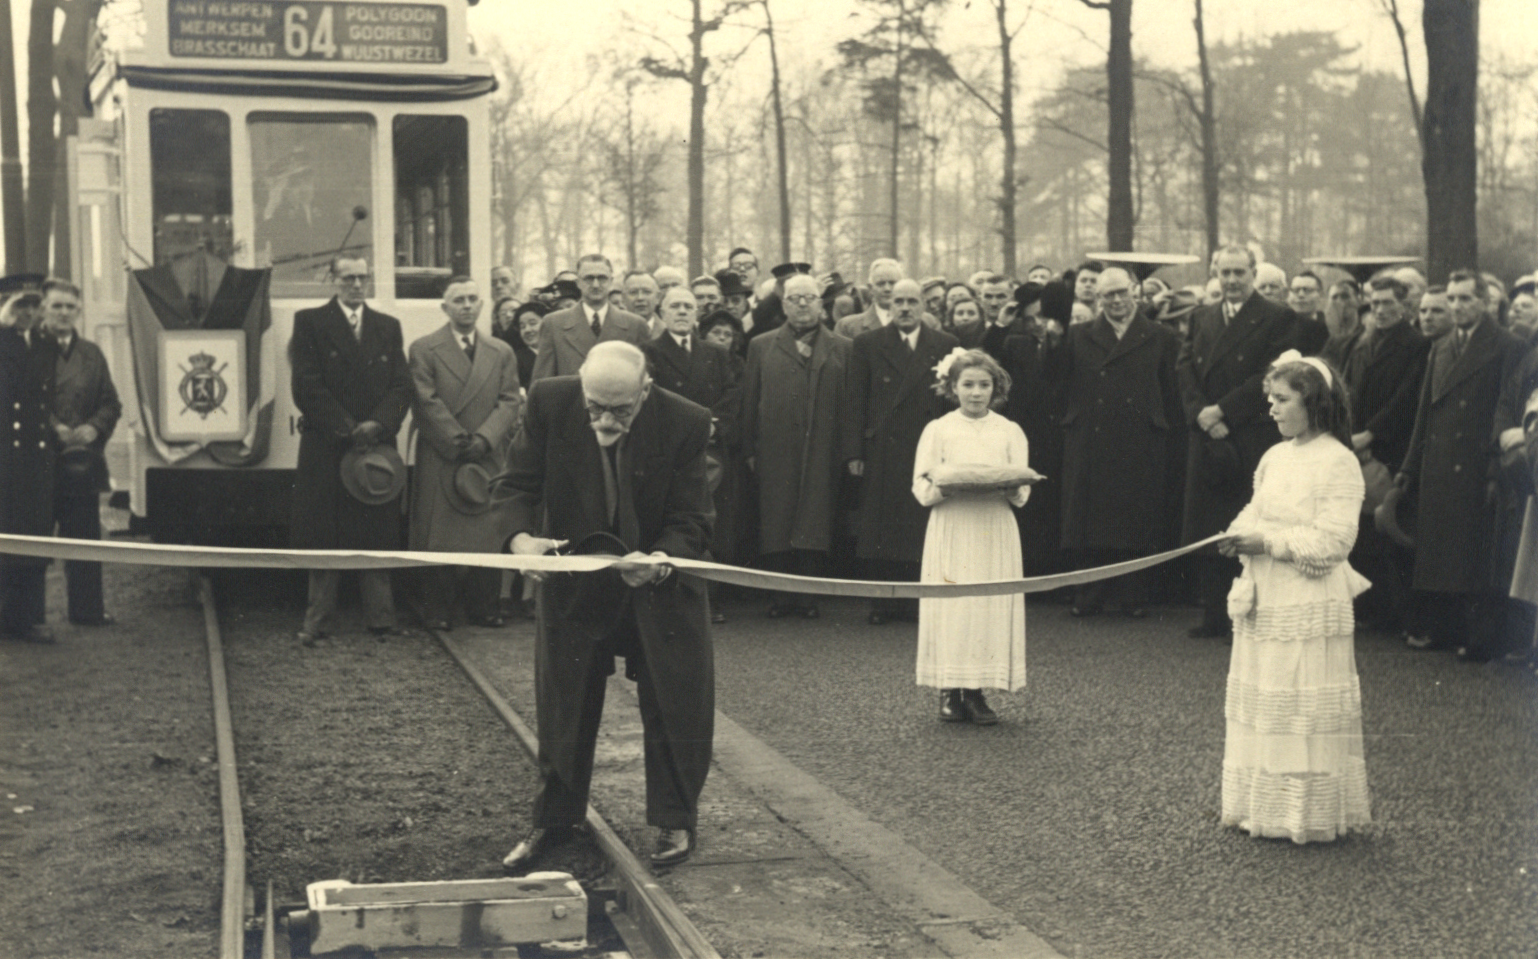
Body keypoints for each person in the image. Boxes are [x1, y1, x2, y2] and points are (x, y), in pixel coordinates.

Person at [498, 341, 714, 871]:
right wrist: (520, 541)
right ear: (580, 385)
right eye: (595, 407)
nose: (606, 421)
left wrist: (661, 559)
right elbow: (514, 486)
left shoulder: (687, 421)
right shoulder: (549, 402)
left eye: (620, 410)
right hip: (576, 581)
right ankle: (554, 820)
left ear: (646, 391)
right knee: (563, 702)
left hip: (657, 581)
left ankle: (675, 818)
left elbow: (693, 518)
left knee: (675, 700)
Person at [1217, 350, 1371, 843]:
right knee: (1267, 697)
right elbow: (1256, 509)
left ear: (1314, 402)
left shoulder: (1339, 460)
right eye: (1271, 399)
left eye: (1282, 400)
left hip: (1307, 596)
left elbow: (1335, 541)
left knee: (1300, 700)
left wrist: (1269, 543)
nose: (1272, 409)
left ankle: (1304, 814)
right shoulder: (1274, 456)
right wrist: (1237, 533)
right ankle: (1261, 807)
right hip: (1266, 593)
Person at [1397, 270, 1529, 660]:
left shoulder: (1507, 345)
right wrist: (1409, 468)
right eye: (1452, 299)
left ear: (1485, 302)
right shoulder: (1440, 346)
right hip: (1440, 463)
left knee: (1477, 556)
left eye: (1465, 299)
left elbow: (1506, 409)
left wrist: (1494, 470)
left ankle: (1481, 639)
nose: (1456, 306)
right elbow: (1425, 413)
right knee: (1442, 553)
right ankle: (1445, 629)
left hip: (1476, 463)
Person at [1045, 268, 1184, 618]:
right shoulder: (1078, 336)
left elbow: (1172, 390)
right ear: (1097, 299)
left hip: (1141, 438)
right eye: (1108, 295)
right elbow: (1056, 382)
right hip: (1091, 437)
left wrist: (1164, 427)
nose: (1117, 300)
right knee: (1089, 518)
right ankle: (1089, 593)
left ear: (1135, 291)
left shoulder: (1162, 336)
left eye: (1122, 292)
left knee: (1136, 516)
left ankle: (1133, 594)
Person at [1178, 245, 1300, 640]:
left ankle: (1249, 614)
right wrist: (1200, 413)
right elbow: (1184, 368)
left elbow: (1269, 376)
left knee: (1247, 524)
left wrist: (1223, 411)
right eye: (1224, 272)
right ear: (1215, 273)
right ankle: (1215, 614)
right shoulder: (1201, 316)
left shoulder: (1277, 317)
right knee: (1210, 527)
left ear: (1253, 273)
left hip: (1248, 433)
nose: (1231, 280)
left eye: (1239, 272)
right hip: (1207, 433)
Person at [289, 256, 412, 644]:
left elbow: (401, 386)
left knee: (376, 531)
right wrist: (347, 427)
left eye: (362, 277)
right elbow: (306, 385)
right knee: (324, 534)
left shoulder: (387, 326)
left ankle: (381, 619)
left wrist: (377, 424)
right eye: (348, 278)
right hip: (328, 445)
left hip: (376, 446)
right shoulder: (309, 322)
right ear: (334, 280)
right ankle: (317, 620)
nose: (357, 284)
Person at [912, 349, 1034, 725]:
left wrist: (1011, 486)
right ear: (953, 387)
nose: (976, 393)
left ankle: (977, 691)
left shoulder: (1009, 430)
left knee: (986, 606)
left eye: (984, 385)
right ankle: (950, 690)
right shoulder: (938, 430)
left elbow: (1022, 492)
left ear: (996, 388)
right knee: (954, 606)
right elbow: (921, 487)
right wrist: (945, 487)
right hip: (953, 525)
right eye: (968, 385)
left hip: (993, 527)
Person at [407, 276, 522, 629]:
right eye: (459, 300)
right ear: (445, 307)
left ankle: (484, 606)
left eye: (473, 299)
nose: (467, 306)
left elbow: (509, 400)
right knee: (439, 533)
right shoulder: (424, 349)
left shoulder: (501, 351)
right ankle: (438, 610)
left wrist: (485, 439)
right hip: (443, 454)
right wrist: (457, 441)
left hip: (486, 454)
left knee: (485, 532)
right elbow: (425, 401)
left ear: (482, 304)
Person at [843, 279, 959, 625]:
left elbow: (952, 403)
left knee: (922, 523)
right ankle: (884, 603)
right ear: (888, 305)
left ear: (923, 305)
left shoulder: (946, 344)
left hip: (928, 446)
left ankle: (920, 601)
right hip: (883, 448)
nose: (905, 308)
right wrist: (853, 452)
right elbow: (855, 399)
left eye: (912, 301)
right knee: (883, 527)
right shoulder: (867, 343)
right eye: (898, 302)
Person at [741, 273, 852, 617]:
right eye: (794, 298)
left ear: (821, 304)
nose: (802, 304)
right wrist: (749, 448)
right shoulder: (761, 345)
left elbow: (851, 406)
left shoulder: (843, 347)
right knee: (777, 517)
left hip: (823, 445)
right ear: (783, 304)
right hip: (776, 447)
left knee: (816, 516)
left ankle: (808, 597)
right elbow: (750, 399)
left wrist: (848, 451)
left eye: (809, 298)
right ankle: (780, 597)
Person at [643, 288, 742, 622]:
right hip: (670, 451)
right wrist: (687, 429)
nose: (683, 311)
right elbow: (651, 398)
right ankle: (675, 598)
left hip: (712, 450)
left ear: (697, 313)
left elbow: (731, 395)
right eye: (675, 306)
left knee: (711, 523)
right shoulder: (649, 351)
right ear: (662, 313)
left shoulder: (716, 353)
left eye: (688, 306)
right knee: (677, 521)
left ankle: (710, 600)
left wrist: (713, 426)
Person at [1339, 277, 1429, 632]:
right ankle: (1372, 609)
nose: (1379, 310)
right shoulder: (1364, 341)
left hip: (1391, 445)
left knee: (1389, 528)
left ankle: (1398, 614)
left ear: (1405, 306)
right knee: (1363, 531)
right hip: (1360, 443)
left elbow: (1407, 397)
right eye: (1374, 303)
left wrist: (1371, 433)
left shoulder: (1416, 344)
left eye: (1387, 303)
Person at [39, 279, 122, 627]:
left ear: (79, 311)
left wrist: (94, 428)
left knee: (84, 539)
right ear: (43, 309)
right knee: (34, 543)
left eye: (70, 307)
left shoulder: (92, 354)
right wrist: (52, 426)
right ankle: (25, 617)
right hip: (39, 464)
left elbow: (111, 403)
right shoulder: (28, 350)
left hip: (82, 464)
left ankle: (87, 611)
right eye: (56, 306)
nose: (63, 313)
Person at [0, 277, 58, 644]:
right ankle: (9, 619)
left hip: (37, 458)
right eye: (21, 305)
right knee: (7, 537)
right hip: (6, 457)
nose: (28, 313)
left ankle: (28, 618)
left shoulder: (45, 344)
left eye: (34, 306)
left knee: (35, 535)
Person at [531, 255, 651, 383]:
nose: (595, 285)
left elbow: (646, 381)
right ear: (578, 283)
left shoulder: (635, 325)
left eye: (602, 278)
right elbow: (542, 384)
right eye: (589, 278)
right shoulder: (554, 324)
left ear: (611, 281)